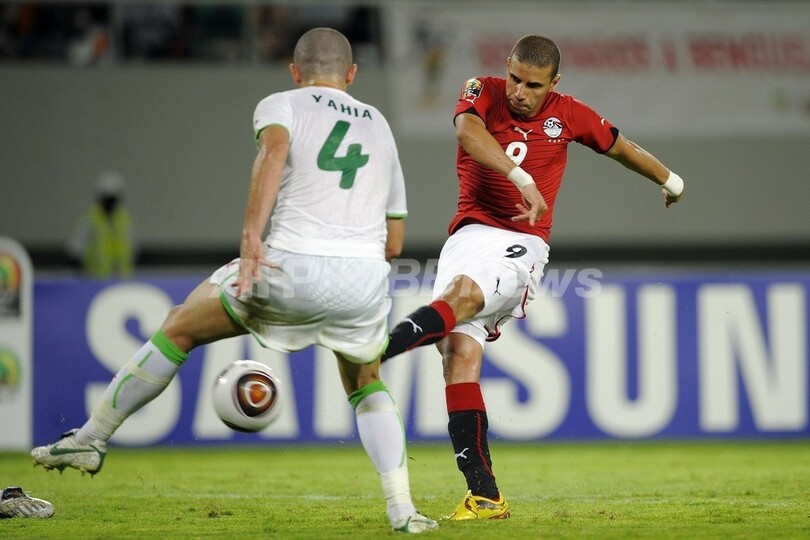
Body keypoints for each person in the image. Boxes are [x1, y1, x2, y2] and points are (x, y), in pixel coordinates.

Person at [32, 27, 437, 534]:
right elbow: (394, 242)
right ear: (351, 74)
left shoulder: (282, 103)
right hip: (363, 279)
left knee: (180, 326)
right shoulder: (379, 124)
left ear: (295, 71)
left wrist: (251, 235)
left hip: (288, 266)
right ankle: (403, 510)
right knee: (366, 381)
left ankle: (91, 439)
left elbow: (273, 151)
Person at [382, 34, 685, 520]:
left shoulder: (570, 114)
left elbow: (621, 148)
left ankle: (380, 348)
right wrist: (521, 178)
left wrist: (670, 180)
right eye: (516, 79)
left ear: (554, 82)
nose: (520, 92)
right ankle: (485, 496)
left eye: (534, 85)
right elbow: (467, 132)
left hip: (521, 243)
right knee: (456, 353)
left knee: (464, 295)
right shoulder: (482, 90)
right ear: (507, 66)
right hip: (467, 237)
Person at [66, 170, 135, 278]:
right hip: (94, 278)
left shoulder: (123, 218)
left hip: (121, 277)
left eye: (113, 200)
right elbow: (76, 247)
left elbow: (131, 246)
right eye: (107, 200)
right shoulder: (91, 218)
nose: (110, 204)